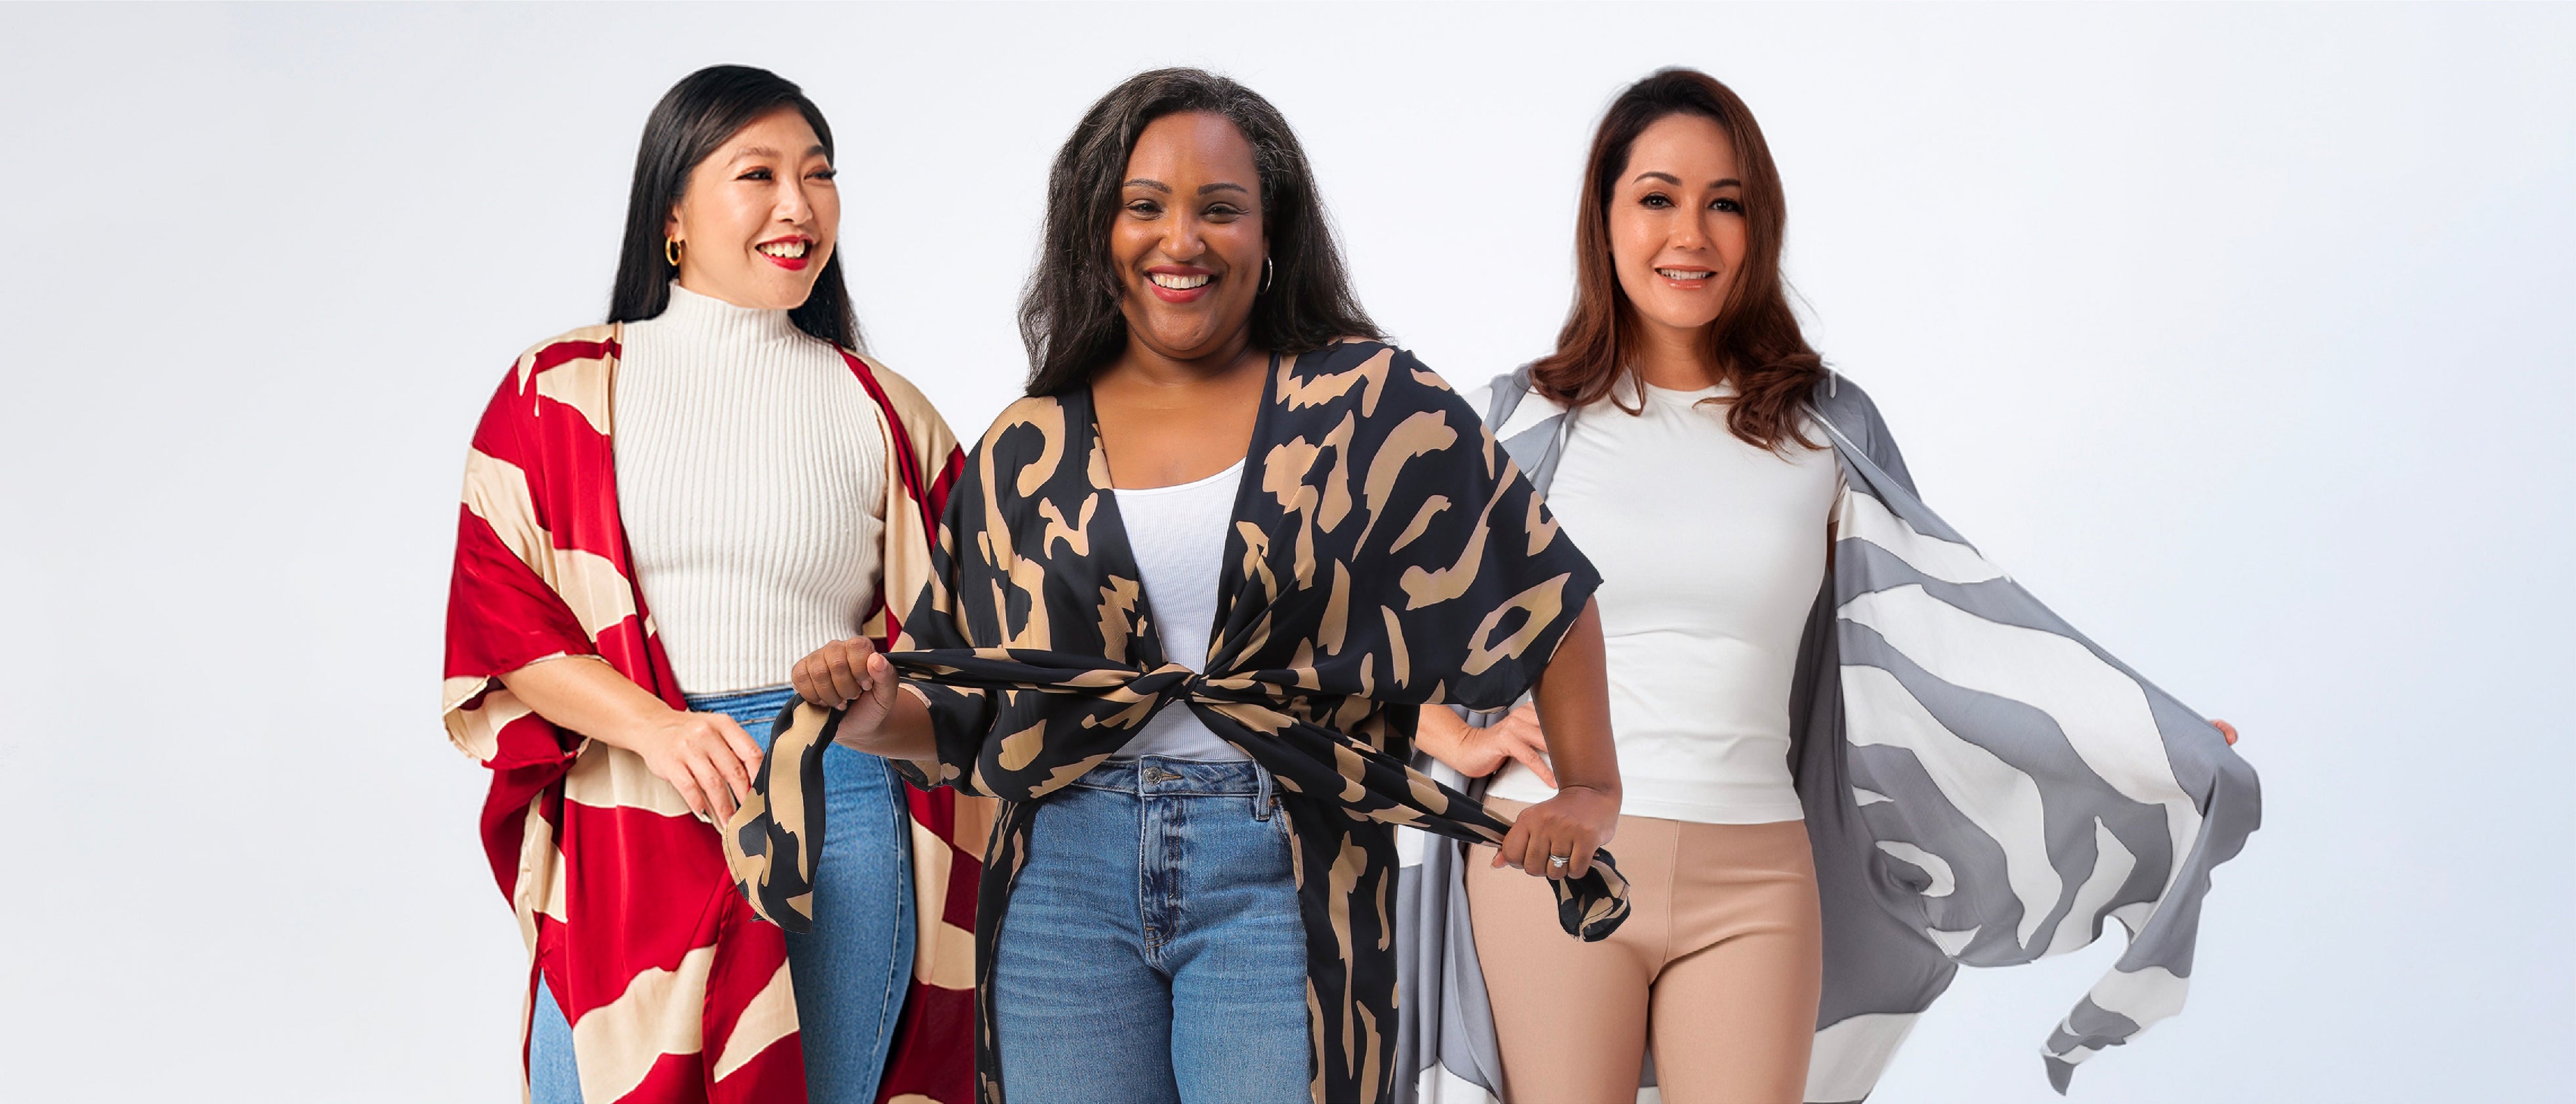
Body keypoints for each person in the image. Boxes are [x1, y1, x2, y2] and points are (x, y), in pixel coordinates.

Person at [731, 68, 1629, 1104]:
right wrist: (872, 709)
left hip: (1285, 864)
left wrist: (1592, 788)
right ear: (1094, 227)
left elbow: (1546, 589)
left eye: (1221, 209)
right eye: (1144, 206)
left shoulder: (1364, 401)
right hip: (1061, 871)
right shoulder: (1027, 447)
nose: (1182, 240)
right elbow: (965, 725)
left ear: (1271, 230)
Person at [1394, 68, 2262, 1104]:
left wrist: (2134, 737)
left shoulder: (1824, 429)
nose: (1693, 234)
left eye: (1728, 203)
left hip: (1756, 876)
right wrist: (1460, 739)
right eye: (1659, 198)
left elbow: (1943, 642)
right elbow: (1360, 633)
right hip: (1551, 861)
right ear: (1606, 216)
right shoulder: (1520, 426)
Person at [442, 64, 983, 1104]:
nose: (799, 204)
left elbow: (975, 653)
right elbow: (503, 615)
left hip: (837, 802)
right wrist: (658, 728)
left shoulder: (887, 411)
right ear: (674, 216)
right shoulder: (556, 390)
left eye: (819, 175)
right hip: (630, 796)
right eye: (759, 173)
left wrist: (877, 691)